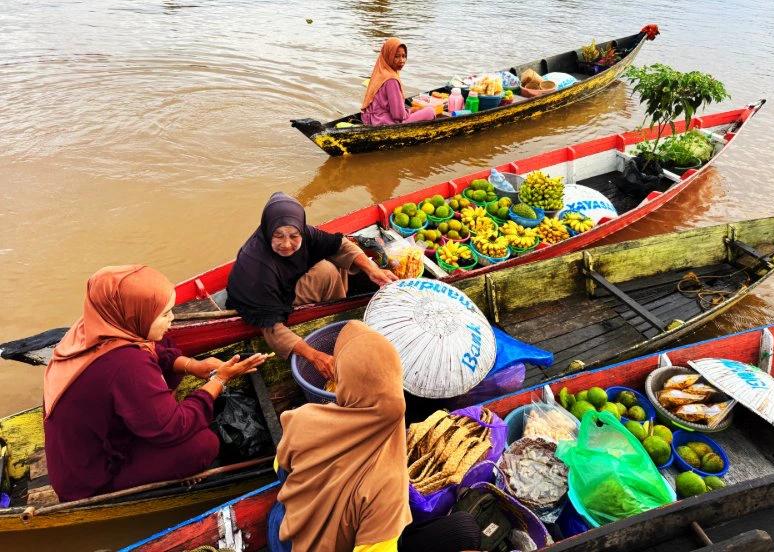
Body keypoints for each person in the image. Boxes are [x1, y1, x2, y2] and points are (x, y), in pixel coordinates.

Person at [43, 265, 265, 502]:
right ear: (132, 313)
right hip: (90, 477)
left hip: (83, 447)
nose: (172, 318)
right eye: (165, 314)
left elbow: (157, 350)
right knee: (203, 445)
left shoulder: (97, 323)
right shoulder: (127, 364)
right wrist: (219, 379)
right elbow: (174, 427)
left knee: (164, 341)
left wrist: (192, 365)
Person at [268, 320, 481, 552]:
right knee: (467, 533)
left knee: (463, 530)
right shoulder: (387, 485)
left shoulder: (302, 418)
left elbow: (281, 469)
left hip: (282, 526)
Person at [225, 192, 397, 381]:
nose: (287, 244)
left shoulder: (306, 234)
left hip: (288, 281)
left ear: (300, 229)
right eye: (278, 236)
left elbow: (340, 245)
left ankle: (334, 305)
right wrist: (315, 356)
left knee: (330, 263)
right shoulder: (258, 268)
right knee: (328, 272)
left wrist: (372, 270)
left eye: (294, 236)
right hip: (260, 301)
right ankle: (333, 316)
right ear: (267, 232)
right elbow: (272, 329)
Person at [360, 37, 437, 127]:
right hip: (383, 122)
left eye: (404, 56)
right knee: (430, 111)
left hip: (370, 118)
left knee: (412, 110)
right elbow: (398, 116)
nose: (402, 60)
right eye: (397, 56)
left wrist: (409, 110)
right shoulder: (391, 80)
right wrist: (409, 111)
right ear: (388, 56)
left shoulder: (379, 72)